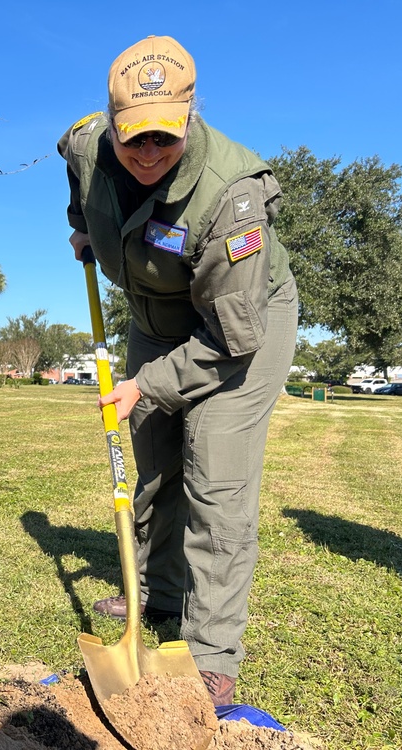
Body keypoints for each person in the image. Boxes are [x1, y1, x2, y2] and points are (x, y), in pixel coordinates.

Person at [58, 35, 298, 706]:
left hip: (241, 326)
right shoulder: (85, 145)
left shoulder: (233, 197)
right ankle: (157, 591)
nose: (148, 155)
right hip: (156, 315)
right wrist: (82, 225)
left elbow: (230, 337)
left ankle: (212, 650)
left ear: (190, 116)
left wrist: (147, 385)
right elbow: (77, 177)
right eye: (133, 139)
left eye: (164, 139)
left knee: (214, 471)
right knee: (155, 454)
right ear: (110, 122)